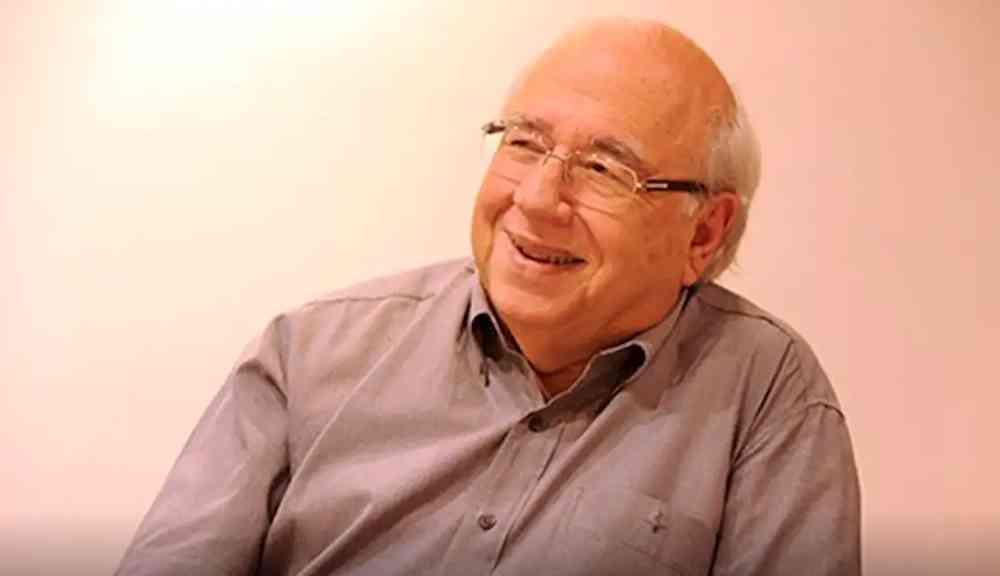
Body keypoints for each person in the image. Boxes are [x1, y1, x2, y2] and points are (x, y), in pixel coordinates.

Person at [117, 18, 860, 576]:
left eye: (605, 169)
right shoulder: (309, 353)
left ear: (704, 232)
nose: (535, 199)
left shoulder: (768, 397)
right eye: (524, 143)